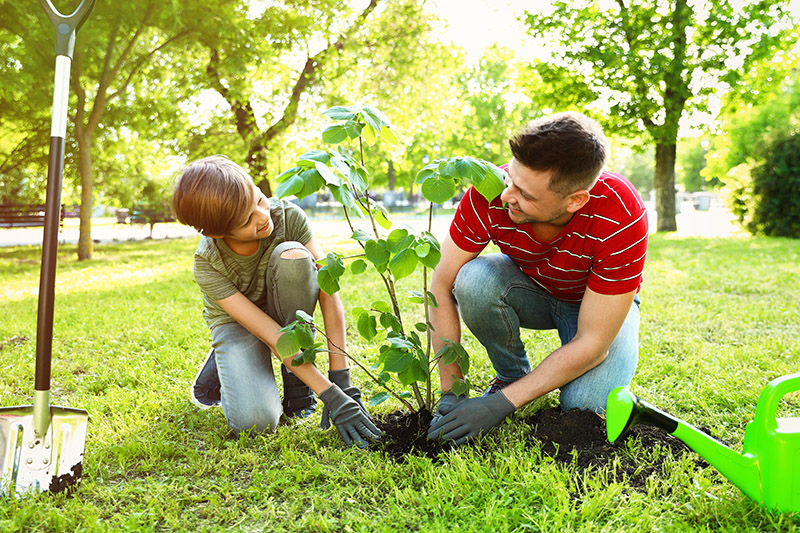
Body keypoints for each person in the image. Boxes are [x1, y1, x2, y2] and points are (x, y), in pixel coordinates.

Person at [427, 112, 649, 445]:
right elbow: (440, 288)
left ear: (575, 200)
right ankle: (511, 376)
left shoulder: (620, 212)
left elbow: (594, 345)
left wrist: (498, 406)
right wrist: (452, 390)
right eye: (510, 178)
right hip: (531, 291)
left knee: (584, 408)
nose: (506, 196)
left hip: (598, 308)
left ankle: (511, 392)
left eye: (526, 195)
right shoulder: (491, 190)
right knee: (473, 279)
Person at [172, 155, 380, 447]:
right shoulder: (208, 262)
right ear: (218, 233)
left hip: (285, 308)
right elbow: (271, 334)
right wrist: (330, 396)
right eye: (246, 220)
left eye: (259, 199)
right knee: (255, 423)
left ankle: (296, 383)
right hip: (241, 324)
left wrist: (340, 380)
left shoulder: (289, 217)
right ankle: (226, 357)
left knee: (294, 257)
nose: (262, 217)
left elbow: (328, 291)